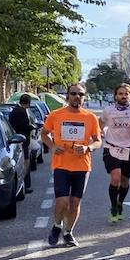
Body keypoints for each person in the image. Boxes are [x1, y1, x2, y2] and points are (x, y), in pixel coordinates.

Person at [41, 83, 102, 248]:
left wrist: (88, 147)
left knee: (75, 202)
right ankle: (57, 225)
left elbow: (98, 141)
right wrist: (53, 147)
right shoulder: (56, 115)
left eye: (80, 94)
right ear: (68, 96)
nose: (77, 97)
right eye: (73, 94)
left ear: (84, 97)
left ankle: (68, 232)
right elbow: (44, 134)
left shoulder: (90, 117)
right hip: (61, 164)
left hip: (82, 166)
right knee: (62, 201)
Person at [101, 83, 130, 222]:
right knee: (115, 177)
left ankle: (120, 202)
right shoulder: (108, 110)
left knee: (125, 181)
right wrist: (98, 132)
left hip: (128, 149)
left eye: (126, 94)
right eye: (120, 94)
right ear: (116, 96)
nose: (123, 96)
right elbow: (100, 122)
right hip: (111, 147)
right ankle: (113, 206)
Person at [8, 94, 36, 193]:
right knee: (25, 163)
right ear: (28, 102)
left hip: (21, 141)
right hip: (22, 141)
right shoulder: (19, 112)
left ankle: (26, 185)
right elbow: (22, 126)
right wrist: (31, 127)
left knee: (25, 163)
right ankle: (26, 185)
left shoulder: (17, 110)